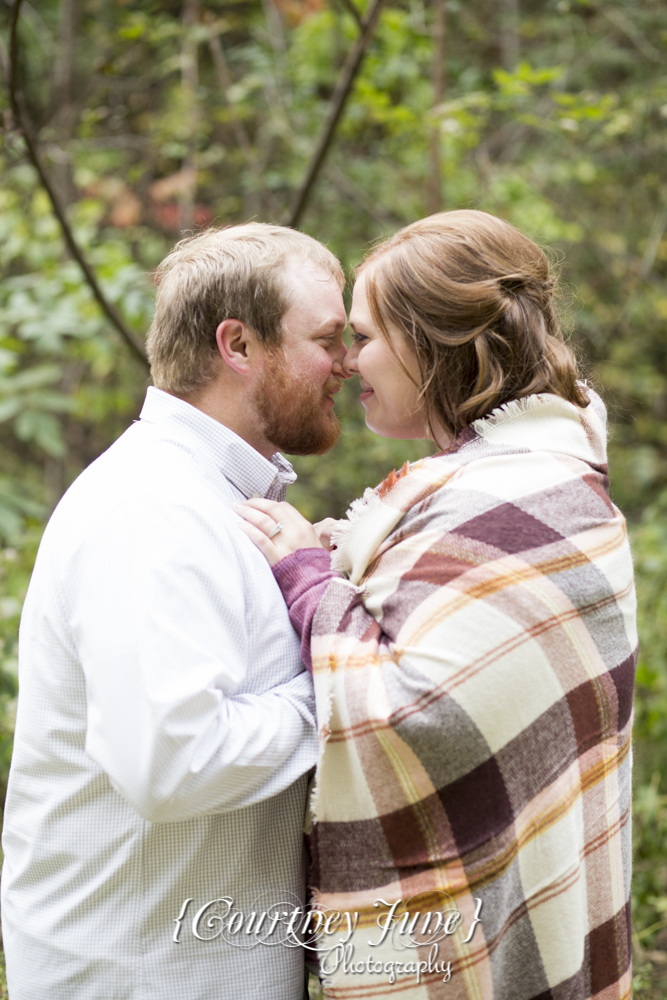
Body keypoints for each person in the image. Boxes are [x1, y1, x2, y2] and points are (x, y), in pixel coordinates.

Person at [237, 210, 637, 1000]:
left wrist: (311, 580)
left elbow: (417, 712)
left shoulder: (508, 492)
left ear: (432, 345)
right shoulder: (545, 473)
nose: (349, 363)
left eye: (366, 337)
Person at [1, 222, 350, 1000]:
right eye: (329, 338)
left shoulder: (213, 501)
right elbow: (173, 763)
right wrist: (344, 684)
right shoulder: (150, 510)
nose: (350, 362)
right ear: (238, 346)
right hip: (139, 976)